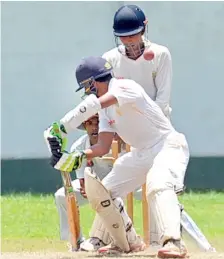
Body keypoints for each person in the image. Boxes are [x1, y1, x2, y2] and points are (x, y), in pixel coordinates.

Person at [44, 56, 189, 258]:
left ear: (92, 83)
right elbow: (102, 147)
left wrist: (62, 127)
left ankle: (174, 242)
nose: (87, 93)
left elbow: (93, 105)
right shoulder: (105, 111)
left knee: (158, 184)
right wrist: (74, 157)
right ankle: (127, 242)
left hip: (167, 145)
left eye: (86, 88)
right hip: (141, 153)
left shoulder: (124, 87)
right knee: (103, 193)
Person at [54, 114, 142, 252]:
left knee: (153, 192)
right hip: (96, 185)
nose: (95, 127)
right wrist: (87, 189)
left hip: (126, 183)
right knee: (61, 196)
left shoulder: (121, 142)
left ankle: (165, 236)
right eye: (90, 123)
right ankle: (76, 241)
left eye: (98, 122)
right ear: (84, 126)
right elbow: (83, 181)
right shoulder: (79, 146)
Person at [102, 4, 172, 119]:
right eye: (124, 36)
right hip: (125, 125)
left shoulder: (160, 54)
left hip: (157, 123)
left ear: (143, 30)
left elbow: (162, 100)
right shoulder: (109, 59)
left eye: (133, 35)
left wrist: (144, 122)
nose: (129, 40)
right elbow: (110, 100)